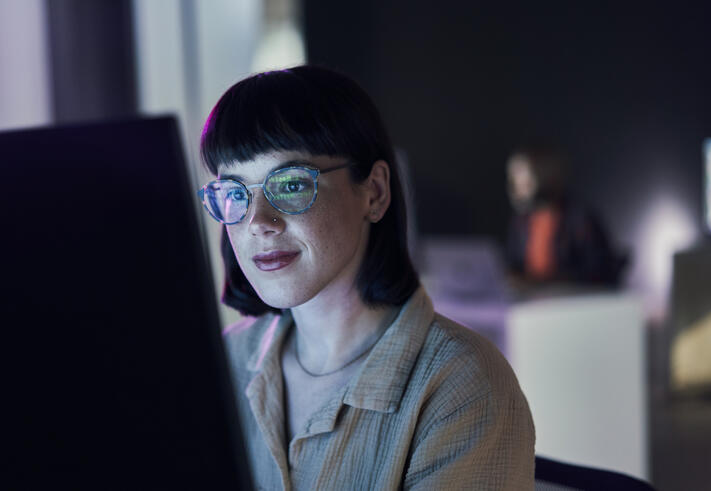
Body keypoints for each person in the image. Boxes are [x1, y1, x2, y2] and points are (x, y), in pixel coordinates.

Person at [198, 65, 535, 490]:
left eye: (289, 184)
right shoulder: (223, 364)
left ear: (373, 192)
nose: (258, 222)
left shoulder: (461, 387)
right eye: (234, 192)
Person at [505, 144, 627, 287]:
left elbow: (599, 272)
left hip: (572, 303)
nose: (516, 184)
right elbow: (514, 265)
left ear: (545, 173)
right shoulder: (521, 222)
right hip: (533, 303)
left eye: (521, 174)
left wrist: (549, 282)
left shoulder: (580, 219)